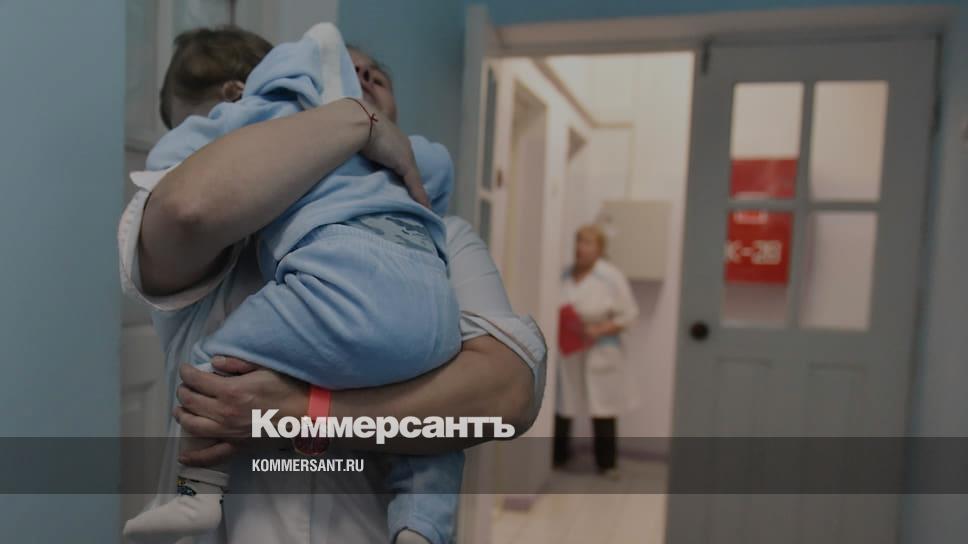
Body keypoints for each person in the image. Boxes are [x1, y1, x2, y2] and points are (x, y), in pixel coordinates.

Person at [118, 25, 546, 544]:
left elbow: (505, 396)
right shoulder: (199, 231)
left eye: (376, 77)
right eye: (345, 68)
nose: (362, 76)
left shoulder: (440, 237)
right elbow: (191, 209)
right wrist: (354, 120)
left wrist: (304, 412)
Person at [553, 224, 639, 478]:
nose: (580, 248)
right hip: (570, 346)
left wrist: (598, 330)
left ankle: (607, 463)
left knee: (603, 405)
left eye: (587, 243)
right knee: (564, 402)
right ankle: (558, 456)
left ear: (600, 249)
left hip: (600, 348)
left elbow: (629, 315)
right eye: (578, 241)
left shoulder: (611, 276)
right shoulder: (564, 275)